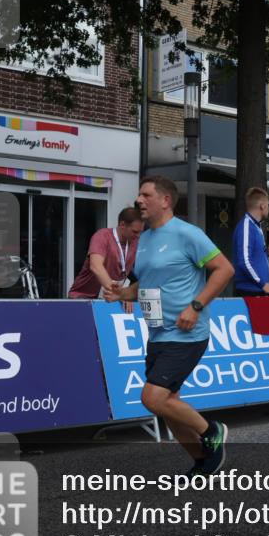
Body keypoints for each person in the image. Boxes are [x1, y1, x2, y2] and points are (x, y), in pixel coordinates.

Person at [104, 176, 236, 475]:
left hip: (187, 332)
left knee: (153, 397)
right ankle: (204, 461)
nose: (138, 200)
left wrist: (196, 306)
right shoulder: (145, 239)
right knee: (167, 404)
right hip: (158, 331)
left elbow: (224, 269)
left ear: (165, 200)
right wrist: (123, 293)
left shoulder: (188, 234)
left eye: (145, 194)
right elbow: (148, 283)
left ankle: (212, 429)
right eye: (138, 194)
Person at [68, 207, 143, 311]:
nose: (138, 236)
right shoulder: (103, 236)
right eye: (135, 232)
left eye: (140, 232)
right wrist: (120, 294)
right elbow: (95, 266)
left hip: (109, 300)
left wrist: (126, 295)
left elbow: (142, 272)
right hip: (83, 299)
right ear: (122, 225)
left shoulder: (135, 243)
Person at [232, 187, 269, 297]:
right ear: (262, 205)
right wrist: (262, 284)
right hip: (251, 291)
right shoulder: (246, 226)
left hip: (257, 290)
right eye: (268, 205)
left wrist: (267, 253)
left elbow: (251, 257)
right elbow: (244, 262)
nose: (268, 208)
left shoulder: (255, 226)